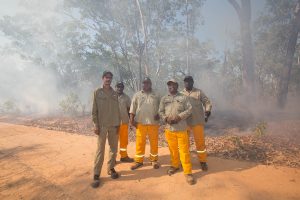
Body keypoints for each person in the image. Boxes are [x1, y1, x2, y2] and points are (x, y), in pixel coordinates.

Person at [159, 78, 195, 185]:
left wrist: (179, 117)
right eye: (169, 85)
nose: (171, 87)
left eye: (173, 85)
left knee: (184, 151)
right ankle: (175, 166)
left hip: (181, 129)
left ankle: (188, 172)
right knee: (173, 150)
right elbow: (160, 111)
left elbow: (189, 110)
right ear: (168, 86)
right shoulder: (164, 98)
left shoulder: (183, 97)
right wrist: (165, 118)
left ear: (177, 86)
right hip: (169, 129)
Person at [91, 71, 121, 188]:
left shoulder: (114, 94)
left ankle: (111, 168)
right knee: (100, 150)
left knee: (113, 148)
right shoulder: (97, 92)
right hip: (102, 126)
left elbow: (117, 110)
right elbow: (94, 111)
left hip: (114, 125)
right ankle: (96, 174)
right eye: (106, 77)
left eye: (110, 78)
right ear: (102, 78)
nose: (108, 79)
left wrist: (118, 123)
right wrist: (96, 125)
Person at [181, 75, 212, 171]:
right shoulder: (181, 93)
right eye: (186, 81)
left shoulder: (198, 92)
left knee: (200, 143)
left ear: (192, 82)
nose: (187, 83)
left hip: (197, 121)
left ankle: (203, 161)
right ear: (184, 83)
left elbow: (207, 102)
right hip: (185, 122)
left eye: (189, 81)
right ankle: (184, 161)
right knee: (184, 143)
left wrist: (207, 111)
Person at [129, 77, 160, 170]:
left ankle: (153, 160)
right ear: (142, 84)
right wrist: (131, 120)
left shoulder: (156, 94)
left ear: (150, 84)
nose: (145, 84)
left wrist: (159, 114)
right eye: (144, 83)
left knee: (154, 142)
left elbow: (162, 107)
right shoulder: (137, 95)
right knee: (140, 142)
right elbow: (132, 108)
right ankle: (139, 161)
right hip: (140, 122)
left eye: (147, 83)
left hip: (153, 123)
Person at [115, 81, 134, 162]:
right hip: (114, 123)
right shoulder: (111, 96)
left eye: (121, 87)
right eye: (118, 86)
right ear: (115, 87)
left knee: (124, 141)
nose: (120, 88)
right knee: (114, 142)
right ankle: (113, 159)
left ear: (123, 88)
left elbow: (129, 110)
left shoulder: (126, 97)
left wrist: (131, 122)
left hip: (124, 123)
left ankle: (124, 156)